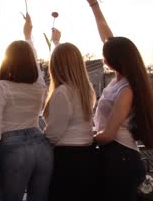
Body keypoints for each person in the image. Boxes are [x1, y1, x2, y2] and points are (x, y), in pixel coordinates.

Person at [85, 0, 153, 201]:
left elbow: (108, 135)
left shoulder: (127, 89)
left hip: (121, 158)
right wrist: (93, 5)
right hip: (116, 158)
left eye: (105, 54)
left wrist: (82, 138)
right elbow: (108, 37)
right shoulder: (120, 80)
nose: (102, 56)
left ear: (113, 60)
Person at [0, 13, 52, 201]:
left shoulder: (2, 87)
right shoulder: (39, 86)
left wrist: (0, 145)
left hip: (13, 147)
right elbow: (37, 65)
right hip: (41, 145)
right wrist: (28, 36)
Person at [42, 34, 97, 201]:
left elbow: (53, 133)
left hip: (67, 160)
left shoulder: (62, 92)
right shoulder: (87, 91)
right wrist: (57, 42)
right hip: (87, 156)